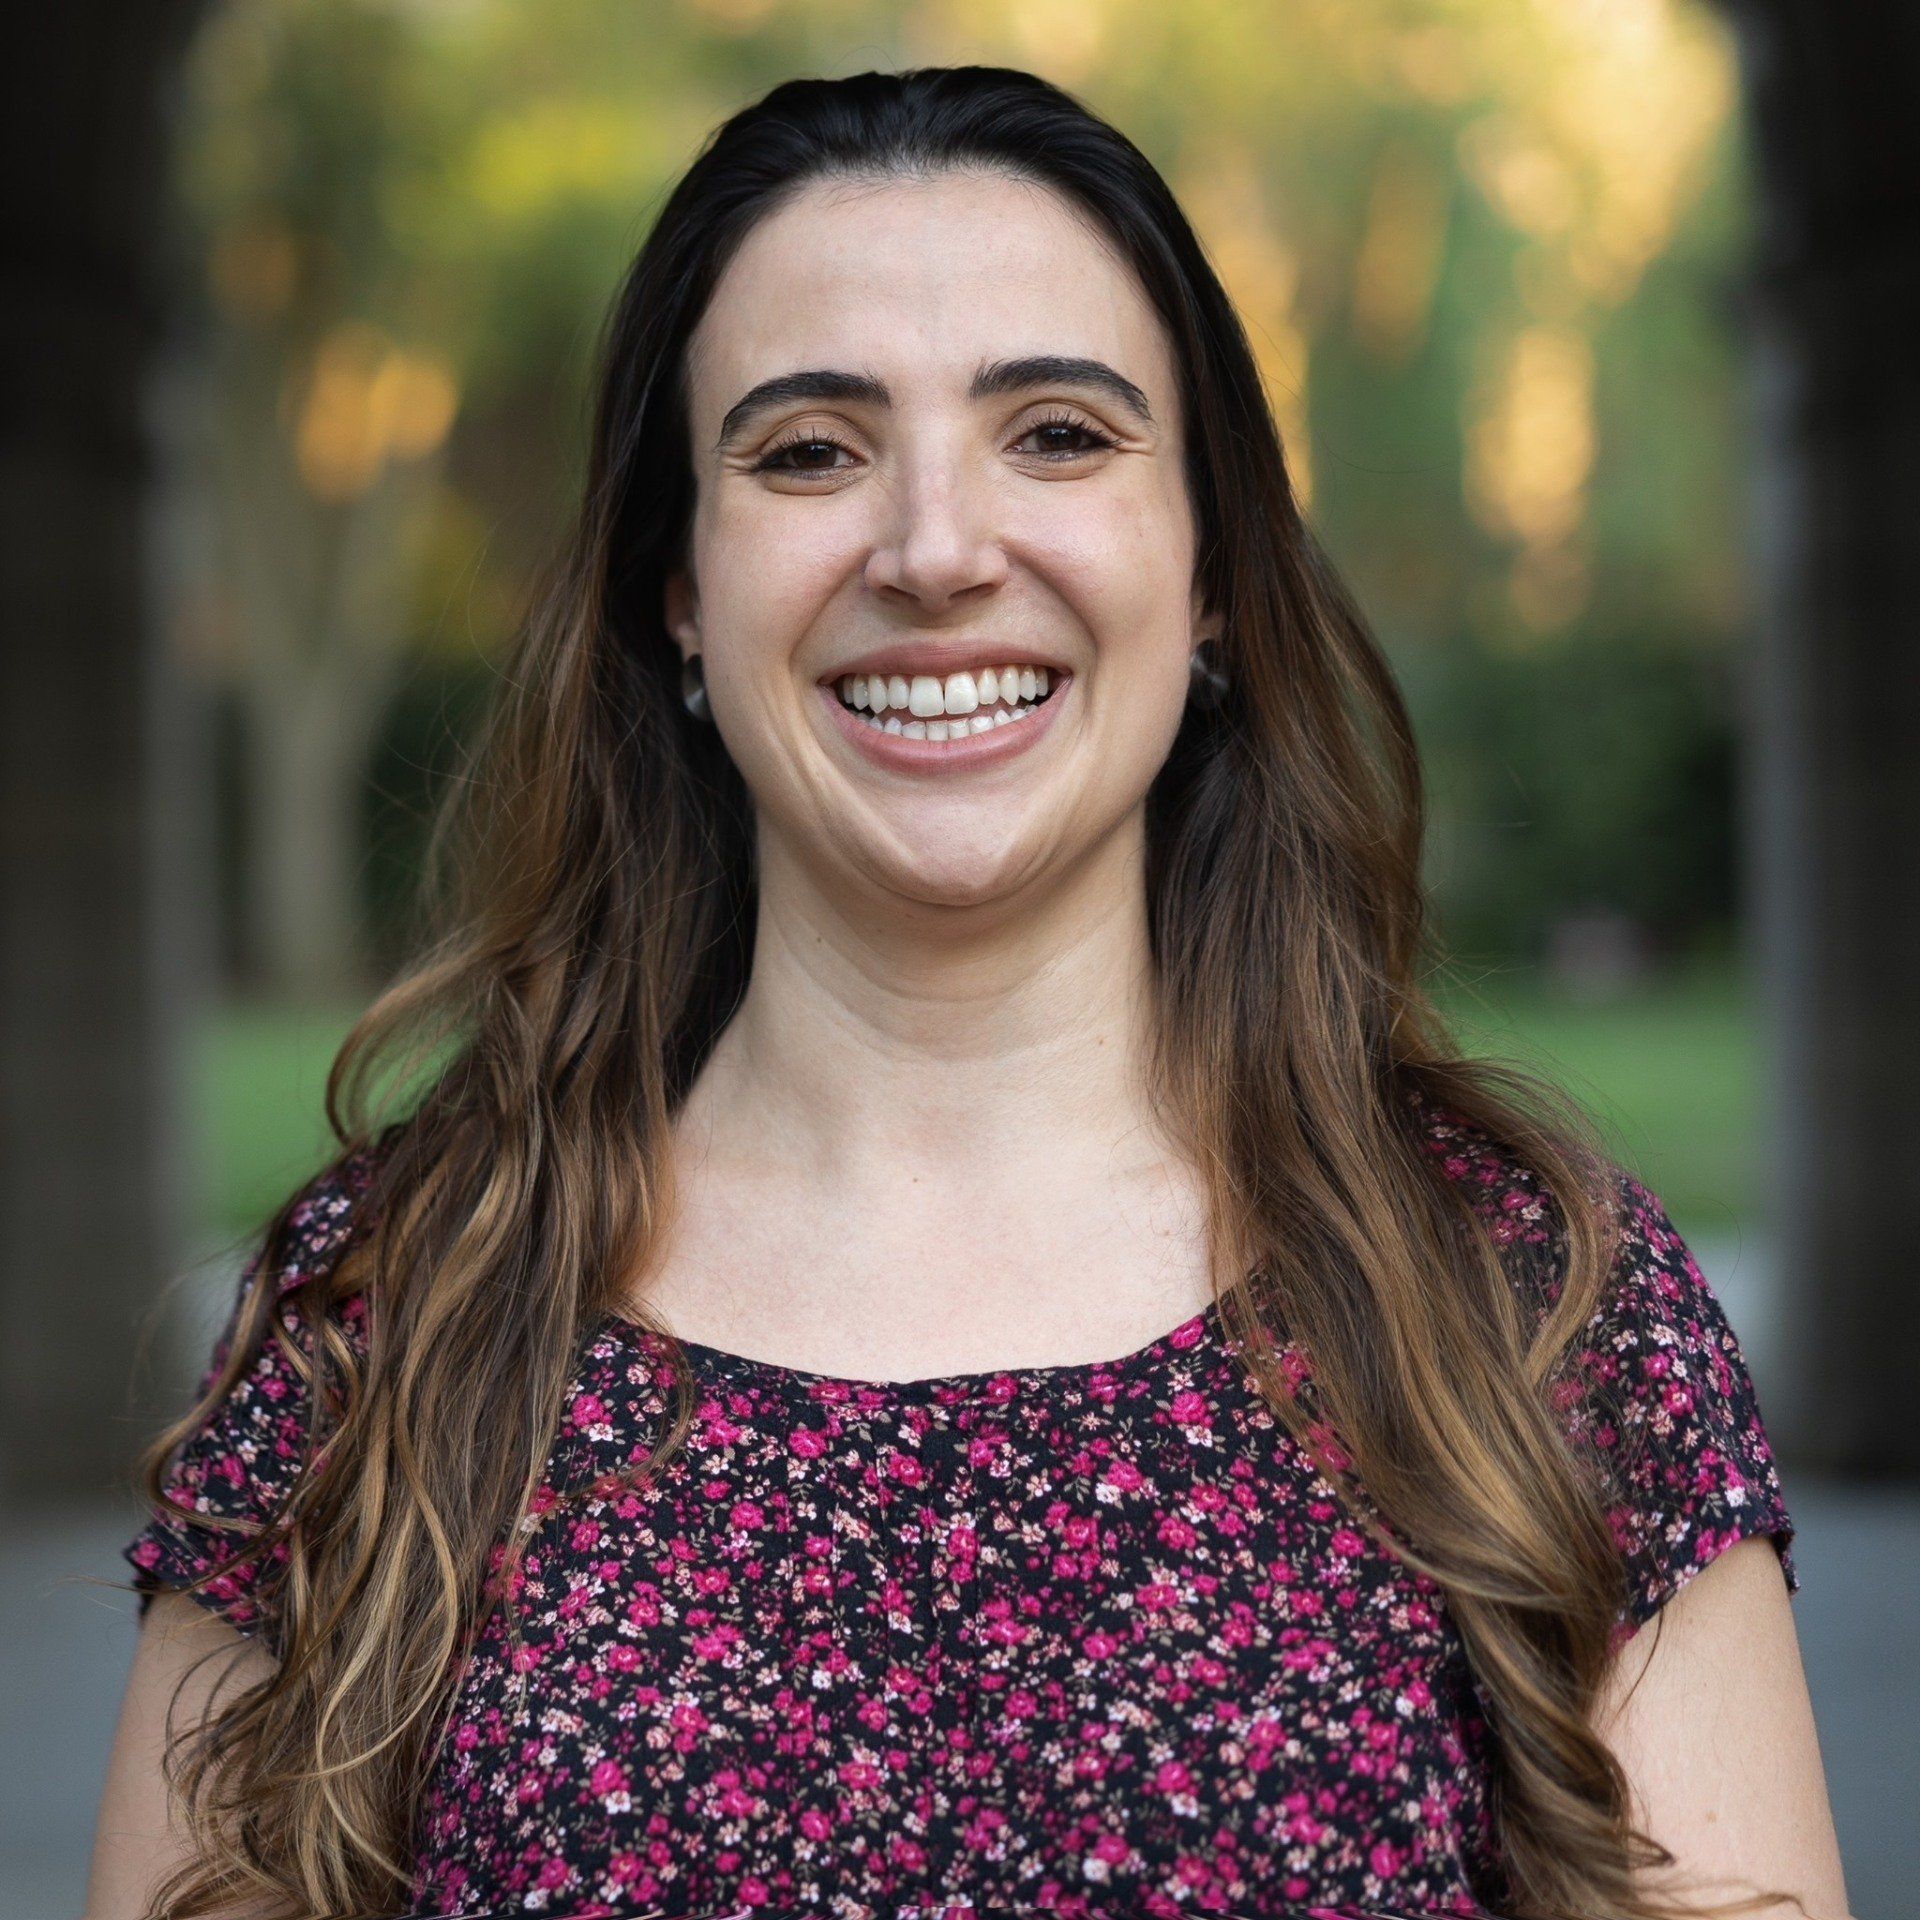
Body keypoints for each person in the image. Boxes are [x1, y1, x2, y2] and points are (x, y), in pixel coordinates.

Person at [87, 64, 1851, 1920]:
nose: (934, 550)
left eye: (1062, 437)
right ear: (679, 585)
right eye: (808, 452)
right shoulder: (392, 1320)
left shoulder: (1536, 1306)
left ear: (1216, 568)